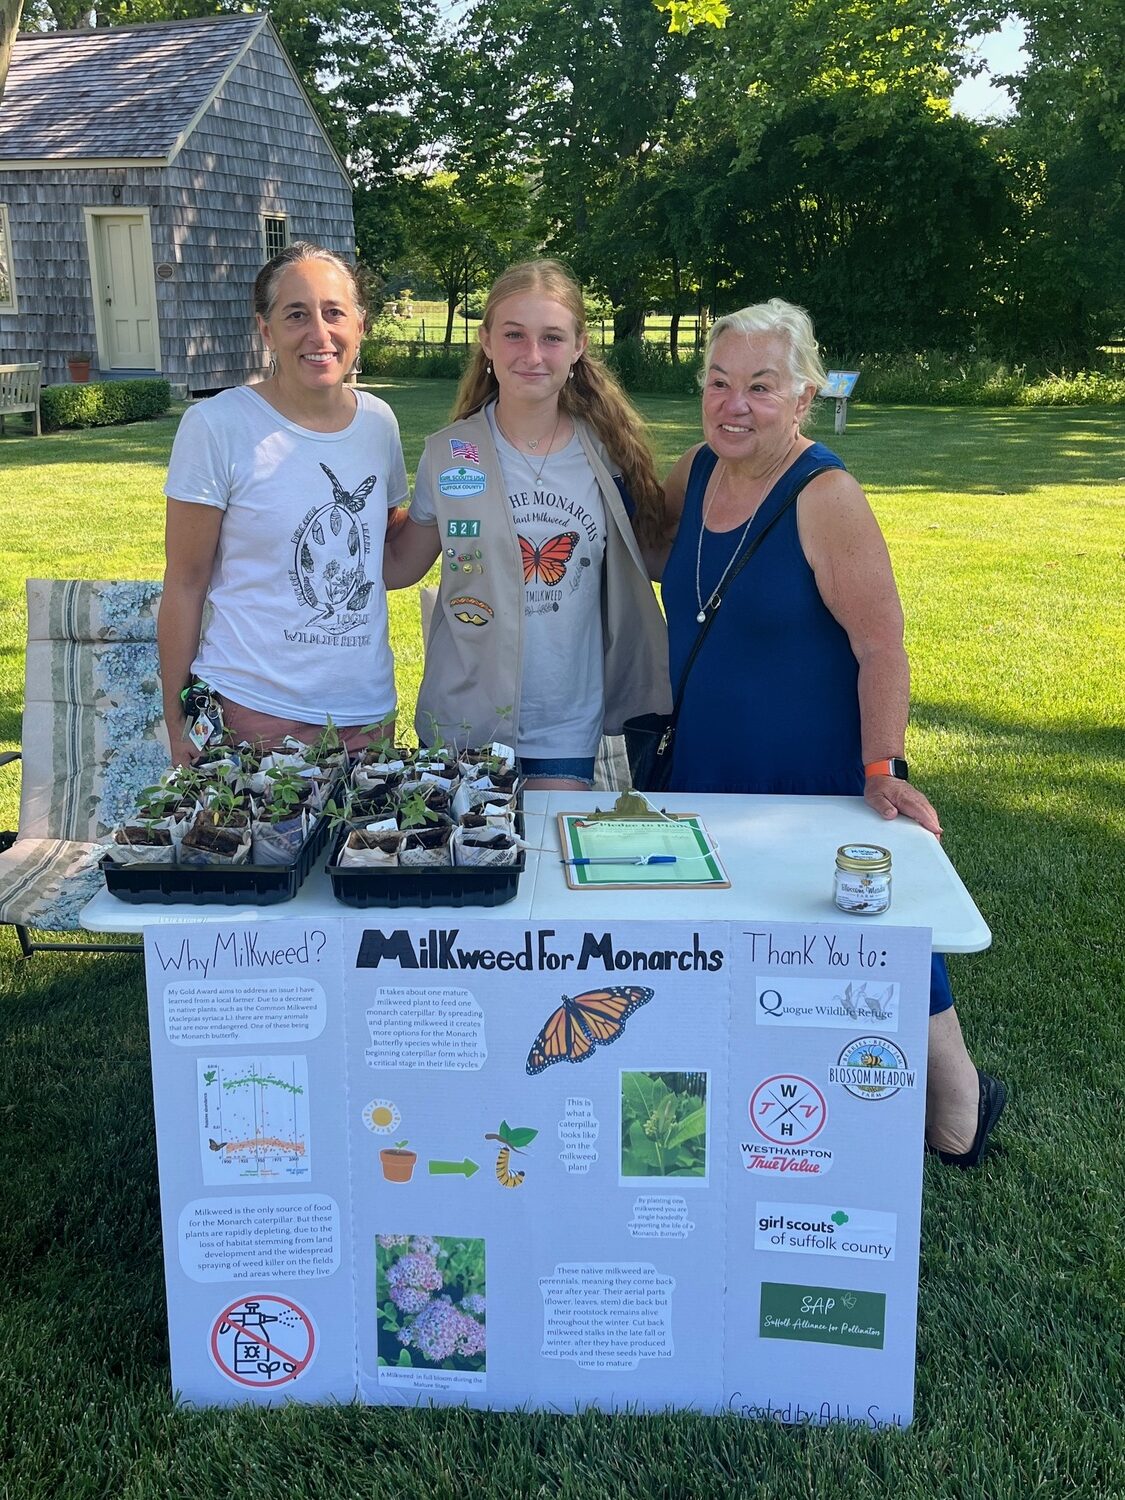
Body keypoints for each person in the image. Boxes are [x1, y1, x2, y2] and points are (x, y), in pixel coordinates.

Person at [653, 298, 1006, 1167]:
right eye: (718, 382)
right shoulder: (694, 470)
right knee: (725, 932)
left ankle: (957, 1089)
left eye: (760, 387)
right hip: (704, 760)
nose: (734, 404)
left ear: (804, 395)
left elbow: (880, 643)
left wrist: (881, 765)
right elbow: (629, 546)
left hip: (808, 769)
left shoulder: (826, 493)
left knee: (863, 923)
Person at [383, 259, 669, 789]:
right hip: (462, 722)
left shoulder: (608, 455)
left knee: (547, 862)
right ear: (487, 341)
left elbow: (655, 558)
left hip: (565, 725)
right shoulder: (450, 454)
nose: (532, 355)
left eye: (552, 337)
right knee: (467, 867)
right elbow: (400, 566)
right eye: (514, 335)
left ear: (579, 346)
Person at [158, 242, 410, 767]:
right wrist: (177, 718)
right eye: (297, 315)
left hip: (367, 717)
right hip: (252, 714)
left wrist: (460, 499)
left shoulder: (379, 422)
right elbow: (185, 582)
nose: (319, 334)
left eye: (334, 312)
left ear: (359, 327)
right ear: (267, 331)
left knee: (360, 850)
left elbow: (382, 557)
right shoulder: (217, 426)